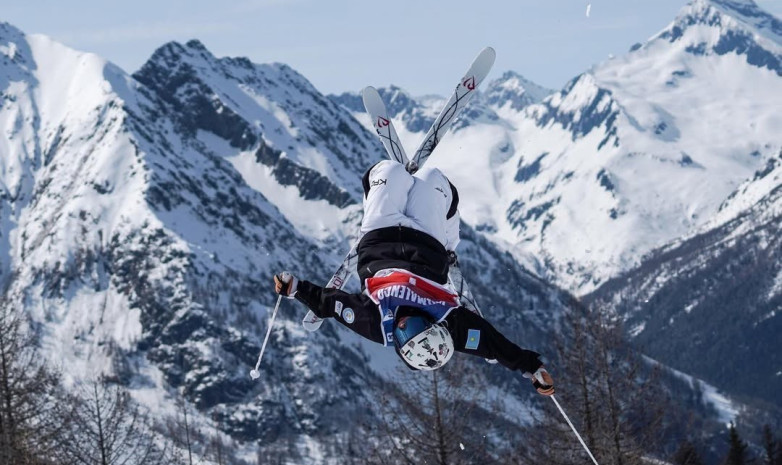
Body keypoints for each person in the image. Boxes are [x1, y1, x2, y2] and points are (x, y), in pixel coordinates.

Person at [274, 160, 554, 396]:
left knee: (386, 172)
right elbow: (494, 344)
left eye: (403, 334)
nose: (404, 324)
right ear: (432, 325)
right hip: (427, 239)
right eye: (416, 326)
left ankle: (390, 187)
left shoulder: (375, 324)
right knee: (435, 179)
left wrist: (294, 288)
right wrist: (533, 368)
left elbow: (331, 304)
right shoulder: (451, 325)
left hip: (379, 234)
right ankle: (447, 236)